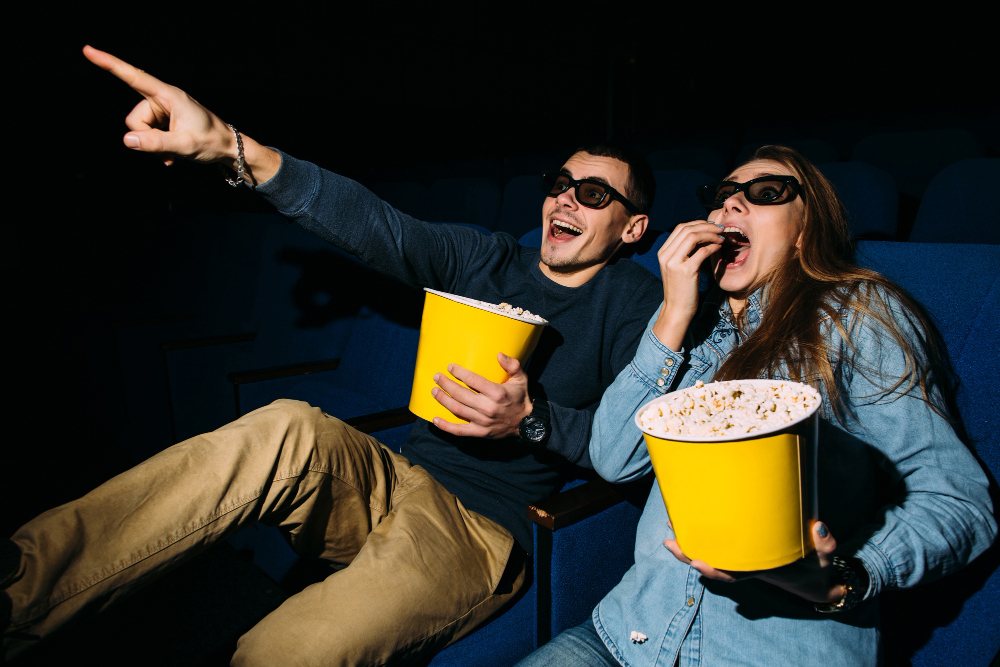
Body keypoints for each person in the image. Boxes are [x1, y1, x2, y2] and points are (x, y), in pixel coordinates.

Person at [0, 46, 664, 665]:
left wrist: (531, 418)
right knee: (284, 425)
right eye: (560, 182)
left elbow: (645, 449)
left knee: (281, 648)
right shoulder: (491, 256)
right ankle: (16, 591)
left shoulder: (636, 303)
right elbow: (382, 228)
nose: (566, 198)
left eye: (594, 193)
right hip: (394, 475)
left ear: (631, 226)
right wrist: (238, 150)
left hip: (474, 533)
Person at [516, 145, 997, 666]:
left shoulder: (854, 316)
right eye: (722, 196)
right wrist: (674, 312)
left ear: (807, 227)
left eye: (765, 193)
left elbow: (959, 501)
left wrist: (844, 578)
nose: (731, 207)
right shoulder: (691, 332)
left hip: (765, 650)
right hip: (627, 635)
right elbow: (614, 456)